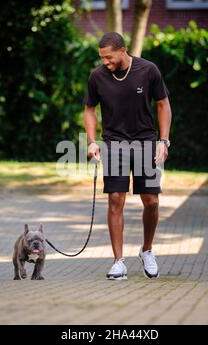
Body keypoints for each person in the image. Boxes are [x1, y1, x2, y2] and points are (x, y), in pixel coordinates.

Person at [84, 32, 172, 280]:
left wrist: (163, 141)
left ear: (122, 51)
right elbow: (89, 110)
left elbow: (163, 105)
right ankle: (118, 262)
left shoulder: (148, 70)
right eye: (101, 58)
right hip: (114, 143)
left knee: (151, 201)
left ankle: (147, 250)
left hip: (146, 141)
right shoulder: (97, 77)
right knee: (115, 199)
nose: (105, 62)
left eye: (108, 57)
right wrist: (92, 141)